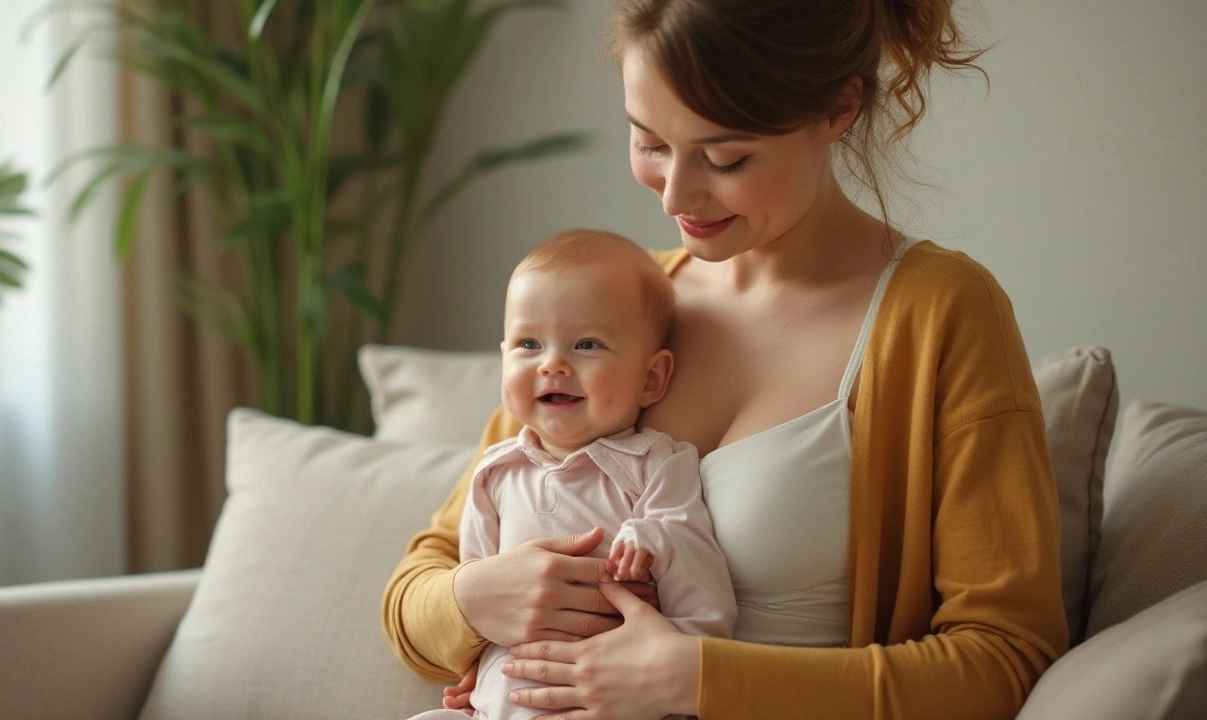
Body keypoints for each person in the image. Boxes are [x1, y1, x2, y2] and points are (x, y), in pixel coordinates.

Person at [383, 0, 1069, 717]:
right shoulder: (618, 306)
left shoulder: (939, 313)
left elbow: (1005, 658)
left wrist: (697, 677)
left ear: (838, 109)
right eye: (648, 142)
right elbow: (414, 595)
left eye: (726, 157)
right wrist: (477, 600)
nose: (677, 194)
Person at [408, 229, 735, 720]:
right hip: (502, 698)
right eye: (528, 343)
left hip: (604, 698)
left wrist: (654, 541)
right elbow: (475, 582)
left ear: (651, 379)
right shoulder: (495, 471)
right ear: (503, 360)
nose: (553, 364)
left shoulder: (656, 464)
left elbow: (704, 597)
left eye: (586, 344)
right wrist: (475, 656)